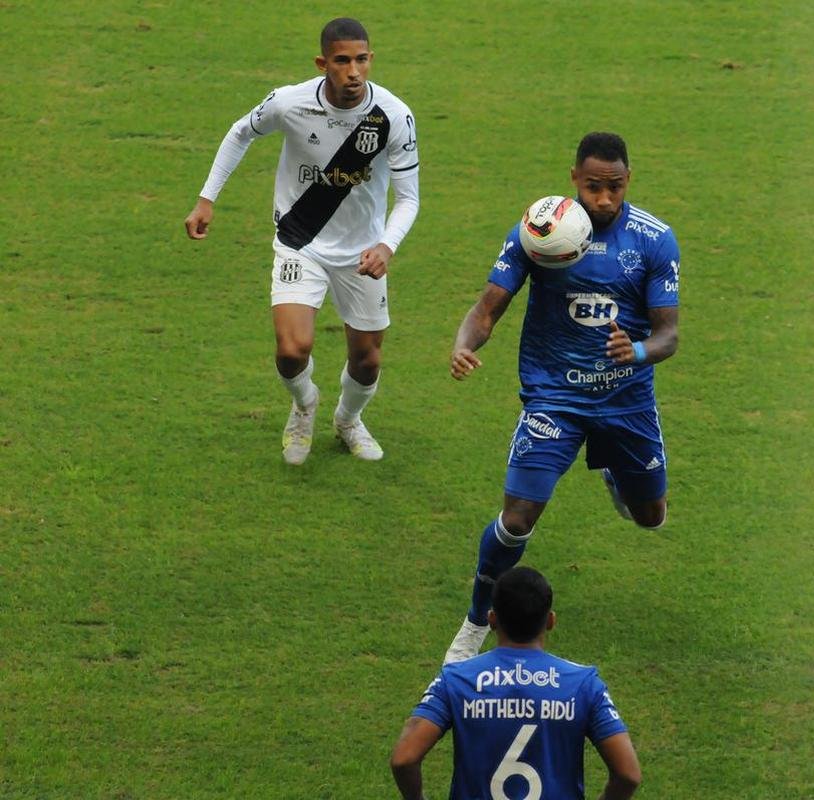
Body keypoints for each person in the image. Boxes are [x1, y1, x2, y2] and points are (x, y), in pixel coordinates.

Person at [442, 132, 680, 663]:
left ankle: (617, 474)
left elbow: (669, 334)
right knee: (517, 518)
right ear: (574, 177)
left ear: (628, 182)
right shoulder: (539, 231)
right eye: (593, 186)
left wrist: (638, 350)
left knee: (651, 517)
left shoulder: (654, 240)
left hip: (626, 402)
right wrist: (463, 344)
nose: (603, 199)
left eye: (614, 187)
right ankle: (475, 623)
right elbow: (488, 308)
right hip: (554, 399)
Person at [184, 17, 420, 465]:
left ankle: (348, 420)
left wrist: (386, 246)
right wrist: (206, 199)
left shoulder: (392, 116)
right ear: (322, 63)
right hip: (300, 241)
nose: (354, 71)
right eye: (342, 61)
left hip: (363, 253)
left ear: (371, 59)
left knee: (367, 361)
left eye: (362, 60)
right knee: (292, 350)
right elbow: (240, 132)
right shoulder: (290, 102)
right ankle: (304, 404)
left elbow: (408, 199)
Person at [391, 566, 641, 800]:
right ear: (551, 621)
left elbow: (404, 759)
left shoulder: (456, 679)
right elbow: (628, 774)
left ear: (491, 620)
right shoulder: (584, 684)